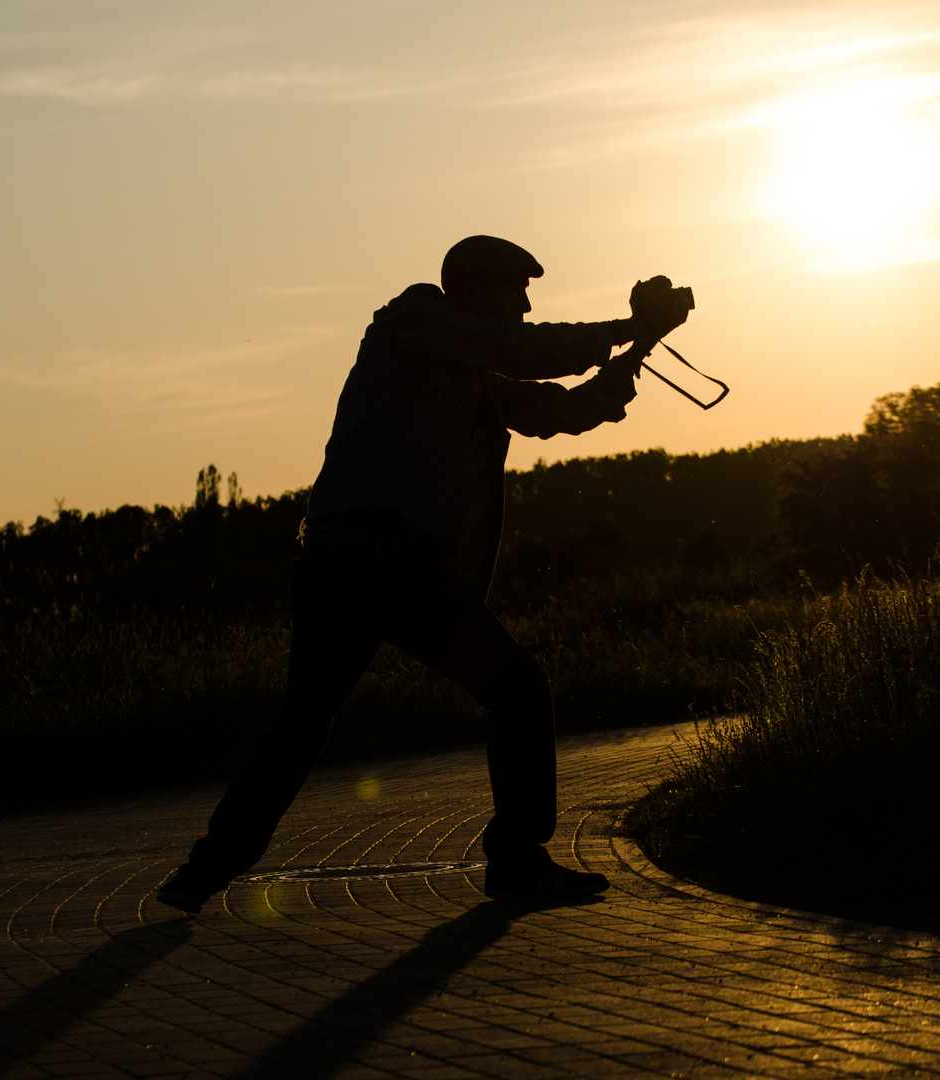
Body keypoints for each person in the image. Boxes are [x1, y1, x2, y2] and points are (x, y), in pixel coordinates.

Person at [156, 235, 692, 913]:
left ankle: (200, 875)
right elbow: (519, 352)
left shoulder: (476, 372)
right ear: (471, 287)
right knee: (519, 690)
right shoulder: (413, 318)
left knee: (307, 715)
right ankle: (517, 865)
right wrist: (629, 328)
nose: (526, 305)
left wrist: (630, 361)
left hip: (358, 562)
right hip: (378, 557)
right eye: (515, 290)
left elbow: (555, 410)